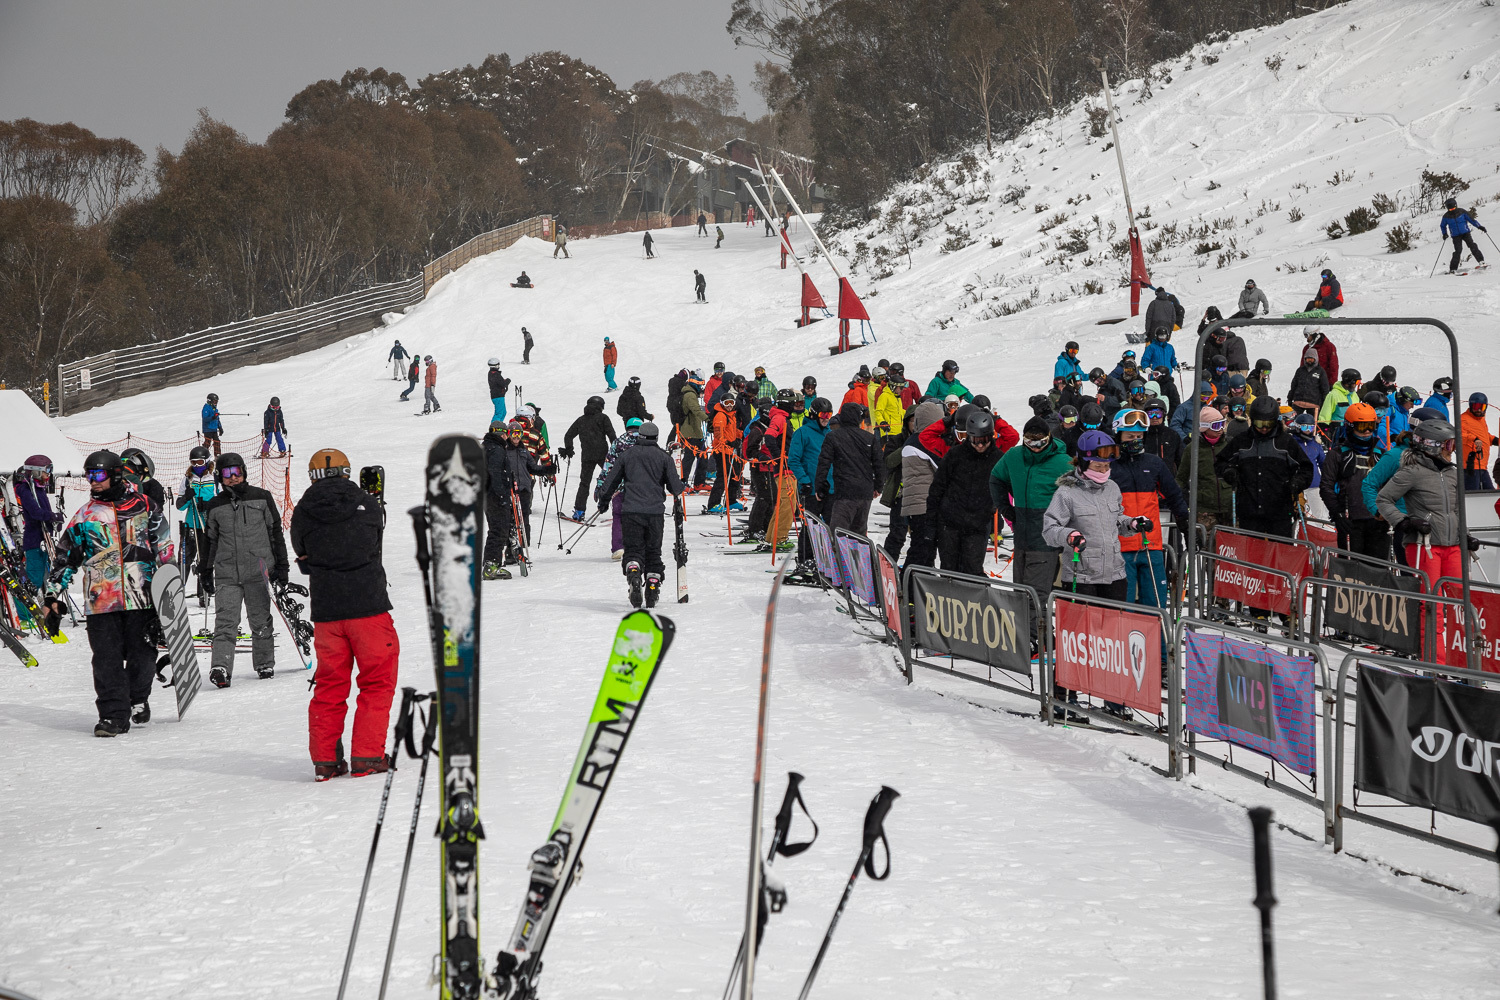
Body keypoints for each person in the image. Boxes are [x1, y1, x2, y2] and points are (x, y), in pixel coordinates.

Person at [46, 451, 172, 735]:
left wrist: (168, 589)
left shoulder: (145, 507)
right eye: (89, 475)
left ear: (115, 474)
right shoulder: (84, 517)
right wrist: (52, 597)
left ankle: (137, 698)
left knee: (143, 656)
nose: (92, 481)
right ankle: (113, 715)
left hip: (142, 596)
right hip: (101, 600)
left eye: (98, 474)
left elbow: (163, 546)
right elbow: (66, 558)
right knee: (106, 659)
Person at [292, 448, 398, 781]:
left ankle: (325, 760)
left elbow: (302, 553)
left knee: (330, 684)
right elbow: (374, 543)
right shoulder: (366, 504)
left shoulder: (304, 512)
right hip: (368, 607)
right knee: (377, 681)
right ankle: (367, 755)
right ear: (347, 472)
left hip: (327, 612)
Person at [1042, 431, 1151, 721]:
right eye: (1098, 466)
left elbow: (1116, 521)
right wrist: (1070, 534)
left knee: (1113, 643)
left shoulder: (1113, 488)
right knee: (1077, 642)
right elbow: (1050, 529)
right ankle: (1065, 699)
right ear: (1083, 463)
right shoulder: (1066, 493)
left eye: (1107, 467)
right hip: (1082, 576)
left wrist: (1133, 523)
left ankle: (1114, 701)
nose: (1104, 471)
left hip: (1113, 575)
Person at [202, 451, 288, 686]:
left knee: (260, 621)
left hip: (258, 571)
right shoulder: (215, 505)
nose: (233, 478)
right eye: (227, 474)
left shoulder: (261, 498)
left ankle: (264, 663)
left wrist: (282, 566)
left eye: (236, 472)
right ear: (220, 477)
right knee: (225, 622)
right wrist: (205, 571)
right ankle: (221, 666)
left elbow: (275, 533)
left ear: (244, 472)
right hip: (227, 573)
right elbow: (209, 540)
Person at [1376, 419, 1463, 647]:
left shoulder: (1453, 474)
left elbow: (1456, 510)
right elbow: (1384, 498)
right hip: (1426, 545)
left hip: (1452, 545)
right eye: (1449, 445)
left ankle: (1463, 660)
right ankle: (1435, 660)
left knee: (1460, 601)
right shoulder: (1412, 472)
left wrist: (1465, 535)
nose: (1452, 450)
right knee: (1431, 602)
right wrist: (1404, 521)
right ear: (1433, 445)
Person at [991, 415, 1073, 633]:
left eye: (1040, 442)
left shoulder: (1062, 462)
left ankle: (1041, 638)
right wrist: (1007, 509)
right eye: (1030, 442)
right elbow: (996, 478)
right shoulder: (1014, 456)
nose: (1035, 447)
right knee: (1021, 591)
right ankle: (1025, 636)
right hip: (1022, 536)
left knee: (1037, 593)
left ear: (1049, 439)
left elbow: (1078, 496)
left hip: (1046, 539)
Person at [596, 423, 683, 608]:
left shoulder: (627, 455)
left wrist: (603, 501)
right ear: (656, 438)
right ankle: (652, 584)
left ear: (640, 436)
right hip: (655, 513)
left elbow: (611, 480)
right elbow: (675, 488)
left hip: (631, 511)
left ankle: (634, 570)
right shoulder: (664, 457)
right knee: (653, 552)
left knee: (634, 550)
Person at [1110, 409, 1189, 610]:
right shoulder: (1109, 467)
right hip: (1121, 547)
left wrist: (1184, 522)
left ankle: (1158, 641)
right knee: (1123, 605)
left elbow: (1174, 494)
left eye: (1139, 436)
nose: (1135, 440)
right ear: (1118, 436)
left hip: (1150, 545)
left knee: (1155, 604)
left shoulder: (1154, 463)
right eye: (1130, 436)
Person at [1215, 397, 1315, 537]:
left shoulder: (1285, 442)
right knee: (1251, 554)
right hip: (1250, 511)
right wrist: (1229, 471)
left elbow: (1306, 468)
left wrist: (1298, 481)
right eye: (1260, 423)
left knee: (1279, 553)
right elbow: (1220, 461)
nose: (1264, 428)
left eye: (1269, 423)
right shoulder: (1243, 441)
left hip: (1279, 512)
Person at [1363, 406, 1445, 568]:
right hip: (1408, 526)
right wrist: (1378, 511)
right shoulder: (1396, 456)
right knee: (1413, 578)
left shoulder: (1438, 458)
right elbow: (1369, 483)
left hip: (1436, 528)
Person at [926, 410, 1003, 576]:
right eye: (975, 440)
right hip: (950, 523)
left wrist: (994, 507)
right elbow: (937, 488)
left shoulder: (998, 459)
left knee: (973, 570)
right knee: (949, 569)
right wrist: (931, 521)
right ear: (968, 437)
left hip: (978, 525)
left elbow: (1006, 490)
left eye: (984, 440)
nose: (980, 445)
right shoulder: (955, 455)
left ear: (991, 436)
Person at [482, 420, 555, 579]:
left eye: (518, 434)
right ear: (504, 434)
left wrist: (547, 469)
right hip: (499, 495)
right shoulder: (499, 450)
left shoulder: (517, 450)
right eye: (510, 434)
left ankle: (506, 555)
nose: (515, 437)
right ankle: (492, 564)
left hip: (518, 490)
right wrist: (502, 494)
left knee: (513, 525)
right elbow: (495, 474)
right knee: (499, 530)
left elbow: (531, 467)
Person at [1320, 403, 1389, 559]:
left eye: (1370, 426)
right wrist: (1337, 514)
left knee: (1378, 570)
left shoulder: (1381, 455)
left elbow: (1393, 487)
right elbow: (1326, 486)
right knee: (1352, 573)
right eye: (1362, 427)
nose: (1366, 432)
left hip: (1378, 521)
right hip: (1351, 522)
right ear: (1350, 426)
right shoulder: (1338, 455)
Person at [815, 402, 884, 534]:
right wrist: (878, 486)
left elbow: (824, 462)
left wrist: (820, 486)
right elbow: (879, 464)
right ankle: (859, 554)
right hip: (865, 492)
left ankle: (840, 554)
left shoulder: (833, 436)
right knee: (859, 533)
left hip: (844, 492)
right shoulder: (869, 437)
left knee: (839, 533)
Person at [740, 390, 795, 544]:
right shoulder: (758, 429)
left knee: (772, 499)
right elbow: (749, 451)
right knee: (764, 498)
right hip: (760, 468)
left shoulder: (768, 426)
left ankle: (764, 528)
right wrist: (762, 457)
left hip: (771, 467)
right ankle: (754, 529)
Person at [13, 456, 62, 627]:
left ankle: (45, 611)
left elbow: (44, 512)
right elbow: (35, 513)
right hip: (34, 540)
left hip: (45, 538)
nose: (48, 475)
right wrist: (52, 516)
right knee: (33, 579)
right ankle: (24, 617)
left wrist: (54, 522)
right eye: (46, 471)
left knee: (46, 577)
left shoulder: (39, 489)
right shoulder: (26, 490)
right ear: (35, 471)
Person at [900, 399, 948, 567]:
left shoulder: (912, 440)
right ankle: (911, 583)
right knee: (922, 548)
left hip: (916, 503)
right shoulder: (923, 442)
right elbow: (942, 467)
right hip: (923, 504)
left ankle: (916, 582)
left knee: (922, 547)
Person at [1175, 408, 1235, 533]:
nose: (1220, 429)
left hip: (1229, 505)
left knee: (1232, 546)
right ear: (1204, 427)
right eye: (1215, 426)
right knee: (1208, 546)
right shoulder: (1193, 449)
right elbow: (1181, 477)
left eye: (1222, 424)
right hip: (1205, 508)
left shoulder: (1230, 445)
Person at [561, 396, 617, 520]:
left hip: (587, 455)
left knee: (584, 483)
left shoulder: (581, 420)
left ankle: (579, 511)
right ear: (601, 406)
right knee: (613, 479)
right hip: (603, 454)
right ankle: (619, 508)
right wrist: (616, 452)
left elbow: (568, 436)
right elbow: (612, 436)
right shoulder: (603, 418)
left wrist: (569, 449)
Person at [176, 446, 218, 602]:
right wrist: (187, 497)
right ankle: (178, 591)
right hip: (191, 524)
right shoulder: (187, 479)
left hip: (207, 524)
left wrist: (208, 505)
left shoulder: (214, 478)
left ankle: (204, 593)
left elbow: (221, 500)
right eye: (193, 462)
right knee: (185, 558)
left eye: (200, 462)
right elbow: (179, 506)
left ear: (207, 461)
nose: (196, 466)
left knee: (205, 559)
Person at [704, 397, 744, 514]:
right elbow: (718, 434)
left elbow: (732, 430)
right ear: (722, 403)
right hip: (722, 450)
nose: (730, 405)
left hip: (730, 450)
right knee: (723, 476)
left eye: (732, 403)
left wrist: (741, 435)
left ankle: (731, 501)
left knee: (734, 474)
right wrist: (728, 442)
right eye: (727, 403)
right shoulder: (721, 416)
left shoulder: (731, 414)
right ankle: (713, 503)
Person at [1460, 392, 1498, 490]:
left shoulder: (1481, 420)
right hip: (1471, 466)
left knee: (1489, 494)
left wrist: (1494, 440)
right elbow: (1460, 435)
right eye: (1476, 407)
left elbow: (1484, 435)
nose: (1479, 410)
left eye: (1483, 407)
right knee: (1473, 495)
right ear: (1471, 406)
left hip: (1482, 466)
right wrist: (1474, 439)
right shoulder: (1464, 419)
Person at [1440, 197, 1488, 273]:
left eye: (1453, 208)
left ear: (1456, 205)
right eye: (1450, 209)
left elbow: (1471, 220)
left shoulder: (1462, 212)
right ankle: (1453, 269)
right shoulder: (1446, 216)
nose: (1452, 210)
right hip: (1455, 236)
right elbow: (1442, 226)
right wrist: (1444, 234)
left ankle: (1481, 261)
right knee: (1458, 251)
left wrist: (1479, 226)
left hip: (1466, 233)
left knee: (1472, 246)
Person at [678, 374, 708, 489]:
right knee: (689, 458)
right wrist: (707, 418)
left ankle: (699, 482)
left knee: (702, 456)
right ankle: (682, 482)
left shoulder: (691, 394)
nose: (701, 388)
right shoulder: (690, 395)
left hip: (695, 431)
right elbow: (695, 410)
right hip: (690, 432)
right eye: (700, 385)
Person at [1288, 347, 1330, 417]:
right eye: (1308, 359)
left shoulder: (1321, 371)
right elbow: (1294, 385)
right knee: (1293, 422)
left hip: (1313, 403)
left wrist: (1323, 403)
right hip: (1298, 402)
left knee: (1313, 424)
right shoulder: (1300, 370)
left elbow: (1325, 389)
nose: (1309, 360)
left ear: (1315, 359)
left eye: (1311, 359)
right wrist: (1290, 398)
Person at [1143, 398, 1182, 470]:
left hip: (1168, 476)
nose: (1154, 418)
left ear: (1164, 415)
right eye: (1150, 414)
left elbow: (1180, 460)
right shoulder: (1142, 435)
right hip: (1147, 477)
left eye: (1158, 414)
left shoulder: (1172, 435)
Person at [488, 359, 510, 425]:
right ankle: (494, 426)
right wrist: (507, 381)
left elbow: (499, 382)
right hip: (498, 396)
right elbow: (502, 383)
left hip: (499, 395)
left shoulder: (492, 373)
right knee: (499, 413)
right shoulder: (495, 374)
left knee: (503, 412)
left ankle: (499, 425)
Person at [201, 392, 223, 457]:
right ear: (210, 401)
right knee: (207, 443)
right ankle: (202, 454)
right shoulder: (206, 408)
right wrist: (213, 417)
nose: (216, 403)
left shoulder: (214, 409)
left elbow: (217, 419)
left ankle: (217, 456)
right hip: (208, 429)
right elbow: (205, 419)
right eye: (214, 401)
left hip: (214, 429)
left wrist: (220, 427)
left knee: (217, 442)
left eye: (217, 401)